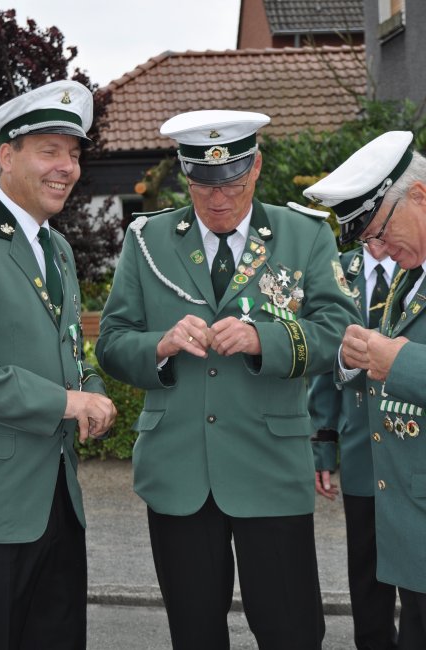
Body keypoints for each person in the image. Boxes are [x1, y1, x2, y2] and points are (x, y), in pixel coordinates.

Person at [96, 109, 360, 650]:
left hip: (270, 469)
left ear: (256, 168)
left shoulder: (304, 233)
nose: (218, 200)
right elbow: (113, 344)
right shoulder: (147, 240)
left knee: (291, 632)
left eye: (233, 185)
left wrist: (266, 339)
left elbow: (341, 331)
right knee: (194, 634)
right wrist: (161, 345)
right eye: (203, 186)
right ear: (185, 175)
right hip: (178, 473)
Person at [0, 80, 117, 650]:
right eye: (49, 151)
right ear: (6, 156)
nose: (66, 167)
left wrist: (91, 388)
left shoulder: (58, 248)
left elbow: (66, 349)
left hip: (60, 504)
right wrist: (67, 402)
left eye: (73, 153)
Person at [304, 130, 426, 650]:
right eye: (367, 239)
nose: (379, 249)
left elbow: (402, 365)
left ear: (419, 195)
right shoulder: (410, 277)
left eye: (380, 230)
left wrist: (399, 362)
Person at [308, 243, 399, 650]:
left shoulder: (416, 267)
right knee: (366, 565)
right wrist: (324, 445)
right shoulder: (339, 270)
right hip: (361, 445)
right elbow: (325, 364)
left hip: (413, 445)